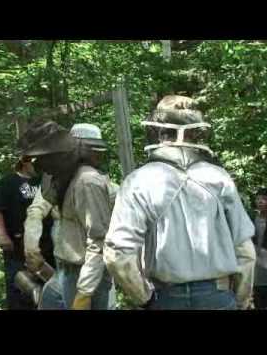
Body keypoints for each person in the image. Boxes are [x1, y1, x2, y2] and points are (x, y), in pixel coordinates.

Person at [103, 95, 256, 310]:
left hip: (166, 297)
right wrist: (241, 300)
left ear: (158, 132)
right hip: (217, 296)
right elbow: (245, 251)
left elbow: (117, 252)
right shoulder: (219, 177)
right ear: (195, 133)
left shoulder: (138, 181)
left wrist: (143, 298)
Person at [23, 123, 119, 310]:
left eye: (47, 159)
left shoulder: (88, 182)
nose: (42, 166)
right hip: (70, 267)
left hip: (86, 270)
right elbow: (36, 211)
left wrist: (85, 291)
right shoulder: (68, 180)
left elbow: (99, 239)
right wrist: (31, 248)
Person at [0, 155, 53, 310]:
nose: (40, 167)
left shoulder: (45, 182)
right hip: (16, 246)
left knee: (47, 290)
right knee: (19, 290)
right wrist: (2, 235)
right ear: (25, 162)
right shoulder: (8, 182)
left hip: (46, 246)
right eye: (36, 164)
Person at [252, 188, 267, 309]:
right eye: (258, 198)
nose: (260, 201)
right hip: (255, 265)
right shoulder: (251, 218)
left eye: (264, 199)